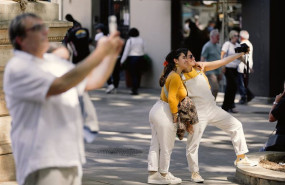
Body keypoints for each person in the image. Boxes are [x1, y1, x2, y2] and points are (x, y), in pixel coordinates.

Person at [4, 13, 123, 185]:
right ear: (20, 39)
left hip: (70, 158)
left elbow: (93, 81)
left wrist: (111, 55)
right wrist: (99, 53)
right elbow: (60, 85)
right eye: (37, 28)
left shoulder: (53, 62)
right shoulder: (19, 67)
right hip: (42, 161)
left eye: (44, 26)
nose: (45, 31)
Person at [182, 47, 257, 183]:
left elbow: (223, 61)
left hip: (212, 108)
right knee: (193, 144)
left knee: (236, 125)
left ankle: (241, 157)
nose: (194, 58)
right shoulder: (179, 76)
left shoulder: (200, 67)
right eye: (190, 56)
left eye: (193, 56)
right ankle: (194, 173)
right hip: (198, 113)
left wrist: (240, 54)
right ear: (183, 60)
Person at [147, 48, 195, 184]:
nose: (187, 59)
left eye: (187, 57)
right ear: (175, 61)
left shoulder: (174, 74)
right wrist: (175, 116)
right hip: (165, 111)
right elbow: (173, 98)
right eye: (183, 57)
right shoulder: (174, 76)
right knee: (167, 145)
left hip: (158, 109)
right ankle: (163, 174)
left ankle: (153, 175)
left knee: (156, 144)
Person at [261, 80, 285, 151]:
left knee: (262, 151)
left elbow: (271, 118)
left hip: (282, 139)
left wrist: (276, 102)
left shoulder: (283, 102)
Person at [221, 30, 241, 113]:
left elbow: (240, 56)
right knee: (231, 85)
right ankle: (227, 105)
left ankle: (228, 105)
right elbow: (222, 54)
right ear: (231, 36)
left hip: (235, 68)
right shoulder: (227, 44)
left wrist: (247, 66)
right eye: (235, 35)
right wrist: (223, 65)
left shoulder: (238, 45)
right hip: (228, 68)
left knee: (233, 87)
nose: (237, 37)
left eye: (237, 36)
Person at [120, 27, 145, 95]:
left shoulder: (130, 40)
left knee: (133, 74)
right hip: (140, 57)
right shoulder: (141, 40)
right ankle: (136, 87)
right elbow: (143, 48)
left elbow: (126, 51)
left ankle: (134, 89)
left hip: (132, 58)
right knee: (138, 73)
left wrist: (122, 61)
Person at [200, 29, 222, 99]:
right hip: (210, 72)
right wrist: (202, 71)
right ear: (212, 37)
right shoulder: (207, 46)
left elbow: (220, 58)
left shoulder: (218, 46)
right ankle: (210, 105)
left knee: (214, 90)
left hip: (218, 71)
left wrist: (221, 70)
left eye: (219, 36)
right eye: (217, 37)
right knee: (215, 88)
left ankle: (211, 104)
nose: (219, 38)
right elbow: (202, 59)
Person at [237, 30, 255, 104]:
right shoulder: (249, 44)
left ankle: (244, 97)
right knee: (244, 82)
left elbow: (240, 56)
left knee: (241, 83)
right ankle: (249, 95)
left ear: (241, 37)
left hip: (242, 66)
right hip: (248, 65)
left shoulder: (242, 44)